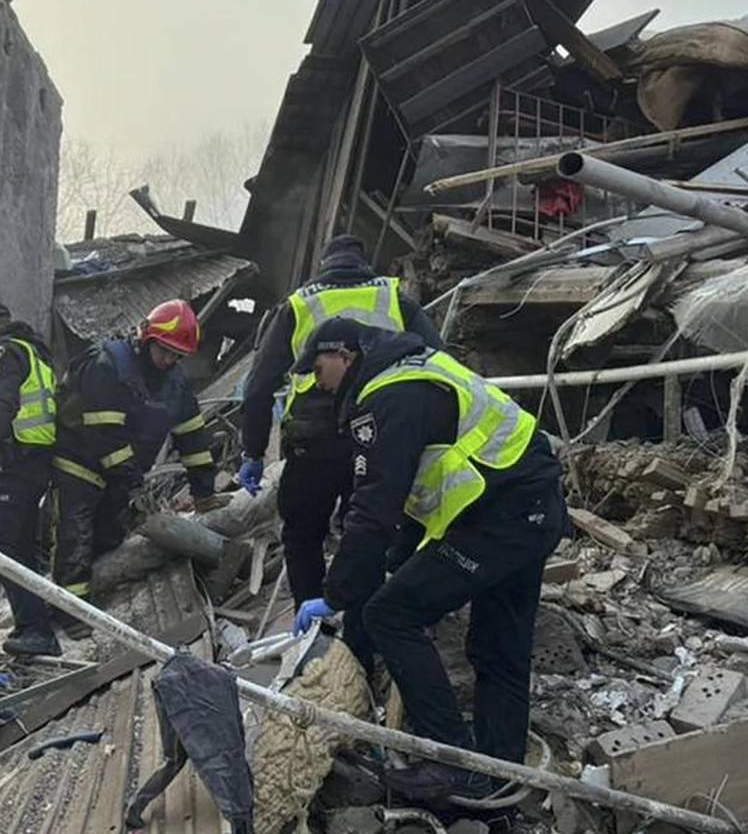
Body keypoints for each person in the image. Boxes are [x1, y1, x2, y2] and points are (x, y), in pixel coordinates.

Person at [291, 318, 566, 802]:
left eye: (318, 368)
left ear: (345, 355)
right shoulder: (416, 371)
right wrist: (399, 560)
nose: (318, 381)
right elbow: (423, 489)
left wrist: (334, 596)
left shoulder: (388, 397)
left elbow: (373, 510)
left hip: (500, 517)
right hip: (529, 506)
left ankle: (453, 759)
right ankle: (497, 780)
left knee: (388, 614)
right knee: (499, 648)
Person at [237, 234, 445, 608]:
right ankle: (361, 617)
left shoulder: (298, 304)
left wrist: (252, 450)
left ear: (324, 265)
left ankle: (311, 617)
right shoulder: (394, 297)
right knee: (368, 528)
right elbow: (438, 359)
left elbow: (259, 386)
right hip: (379, 430)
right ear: (363, 263)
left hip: (312, 439)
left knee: (303, 534)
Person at [50, 300, 220, 605]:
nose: (169, 359)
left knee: (110, 537)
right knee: (76, 536)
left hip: (121, 473)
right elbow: (104, 435)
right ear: (146, 339)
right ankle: (68, 609)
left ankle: (97, 593)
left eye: (177, 355)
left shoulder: (176, 386)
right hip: (80, 462)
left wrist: (204, 491)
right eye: (164, 350)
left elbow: (193, 438)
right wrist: (133, 482)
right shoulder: (108, 365)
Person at [0, 299, 62, 656]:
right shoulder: (33, 350)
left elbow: (2, 404)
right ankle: (34, 625)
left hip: (14, 461)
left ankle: (36, 630)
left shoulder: (1, 353)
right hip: (35, 461)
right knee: (20, 547)